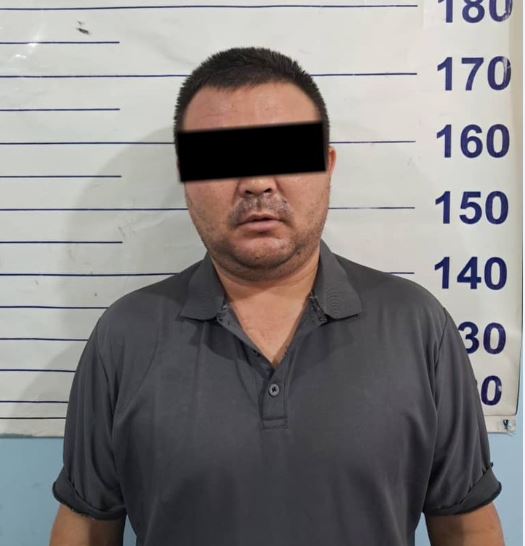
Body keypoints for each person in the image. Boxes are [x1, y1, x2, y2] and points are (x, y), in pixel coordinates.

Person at [49, 47, 505, 546]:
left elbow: (466, 528)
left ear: (327, 165)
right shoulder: (124, 336)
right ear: (186, 175)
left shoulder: (417, 326)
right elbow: (86, 529)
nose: (257, 183)